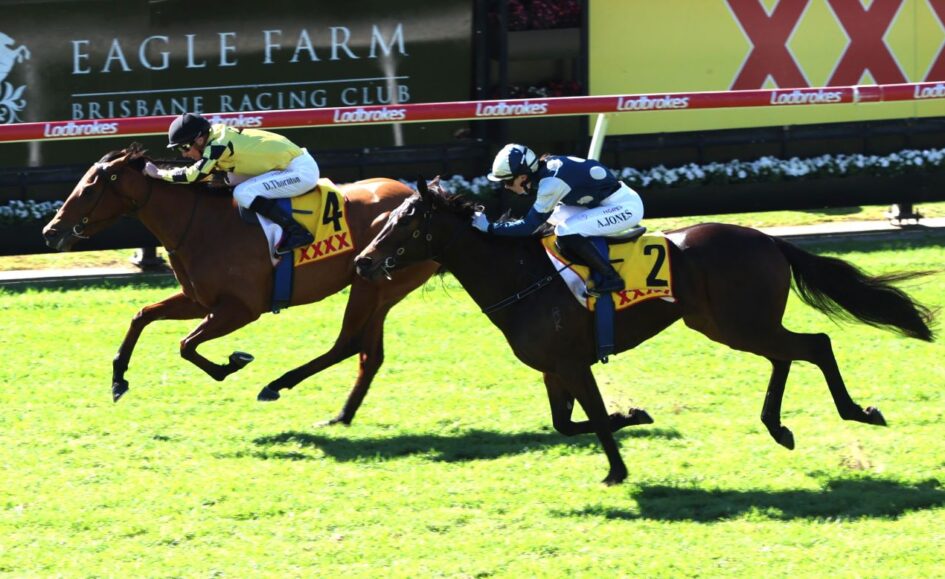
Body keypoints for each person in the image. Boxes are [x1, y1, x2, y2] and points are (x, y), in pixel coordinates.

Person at [472, 143, 644, 295]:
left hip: (626, 207)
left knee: (565, 231)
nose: (506, 187)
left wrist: (489, 227)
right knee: (554, 217)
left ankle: (611, 277)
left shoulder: (551, 184)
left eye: (508, 182)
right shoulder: (547, 168)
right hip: (605, 203)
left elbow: (528, 226)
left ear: (523, 177)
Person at [143, 112, 316, 255]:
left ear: (199, 140)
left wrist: (159, 173)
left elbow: (194, 175)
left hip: (300, 172)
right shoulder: (216, 136)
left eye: (184, 147)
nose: (184, 154)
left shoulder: (218, 145)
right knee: (231, 180)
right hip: (289, 166)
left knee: (242, 193)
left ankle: (297, 232)